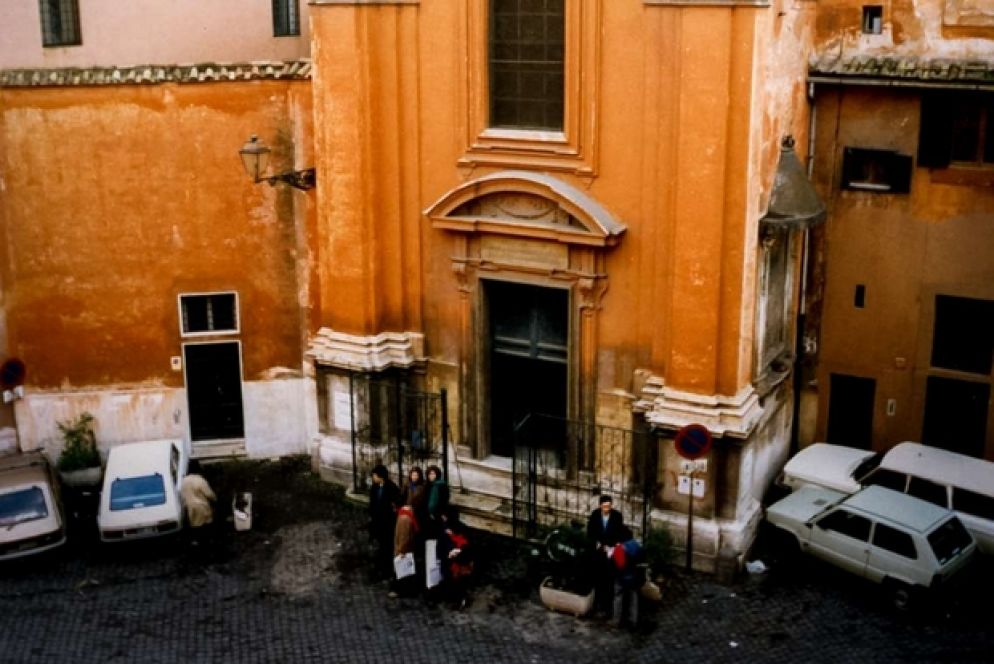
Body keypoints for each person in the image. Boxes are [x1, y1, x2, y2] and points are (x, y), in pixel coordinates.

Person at [586, 494, 626, 618]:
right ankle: (597, 606)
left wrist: (612, 547)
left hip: (610, 553)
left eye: (608, 506)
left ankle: (608, 609)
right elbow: (590, 533)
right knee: (597, 580)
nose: (606, 509)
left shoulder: (617, 516)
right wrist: (596, 543)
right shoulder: (595, 515)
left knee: (609, 582)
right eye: (604, 507)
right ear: (600, 506)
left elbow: (620, 534)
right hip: (598, 554)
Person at [437, 505, 473, 608]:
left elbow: (467, 545)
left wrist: (456, 551)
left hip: (457, 561)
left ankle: (459, 599)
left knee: (457, 581)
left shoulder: (450, 528)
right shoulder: (455, 527)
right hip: (452, 559)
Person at [368, 464, 400, 576]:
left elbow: (396, 503)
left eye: (374, 476)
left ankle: (386, 568)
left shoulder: (391, 487)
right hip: (378, 521)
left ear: (380, 476)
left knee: (387, 546)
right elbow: (372, 503)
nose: (373, 478)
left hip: (388, 523)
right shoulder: (374, 487)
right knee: (381, 545)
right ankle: (380, 566)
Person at [180, 461, 216, 547]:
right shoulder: (200, 480)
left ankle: (197, 542)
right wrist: (215, 499)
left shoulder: (184, 481)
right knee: (207, 523)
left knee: (195, 524)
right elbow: (209, 494)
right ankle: (208, 542)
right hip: (202, 506)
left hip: (190, 506)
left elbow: (182, 494)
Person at [390, 504, 420, 598]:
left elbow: (404, 538)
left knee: (401, 571)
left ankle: (401, 590)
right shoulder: (407, 515)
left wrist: (400, 551)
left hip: (403, 551)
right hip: (406, 549)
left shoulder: (404, 519)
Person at [425, 465, 450, 537]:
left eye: (433, 474)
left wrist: (441, 513)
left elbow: (445, 501)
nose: (431, 476)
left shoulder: (442, 485)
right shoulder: (428, 486)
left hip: (439, 515)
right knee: (430, 536)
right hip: (428, 516)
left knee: (439, 535)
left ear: (437, 474)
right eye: (429, 474)